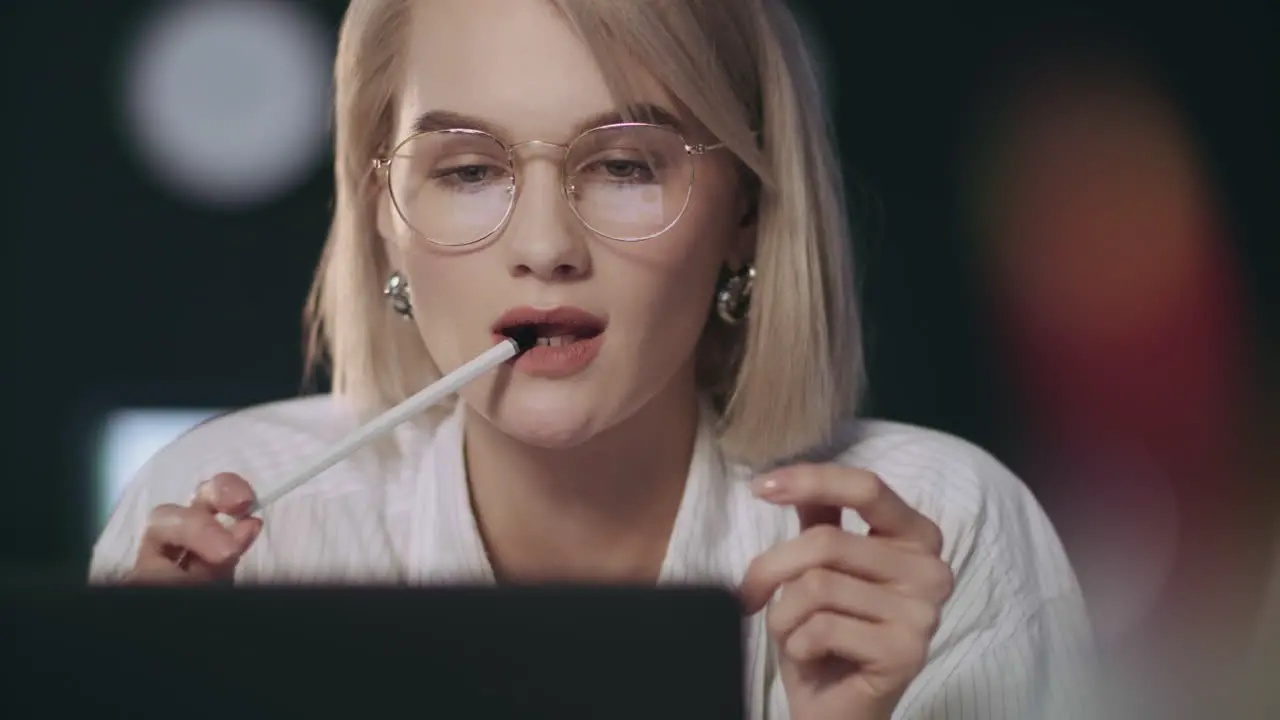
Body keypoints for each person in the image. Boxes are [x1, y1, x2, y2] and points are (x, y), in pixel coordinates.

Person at [90, 0, 1093, 717]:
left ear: (742, 214)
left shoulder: (940, 538)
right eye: (470, 170)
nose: (543, 246)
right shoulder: (234, 544)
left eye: (621, 165)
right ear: (383, 221)